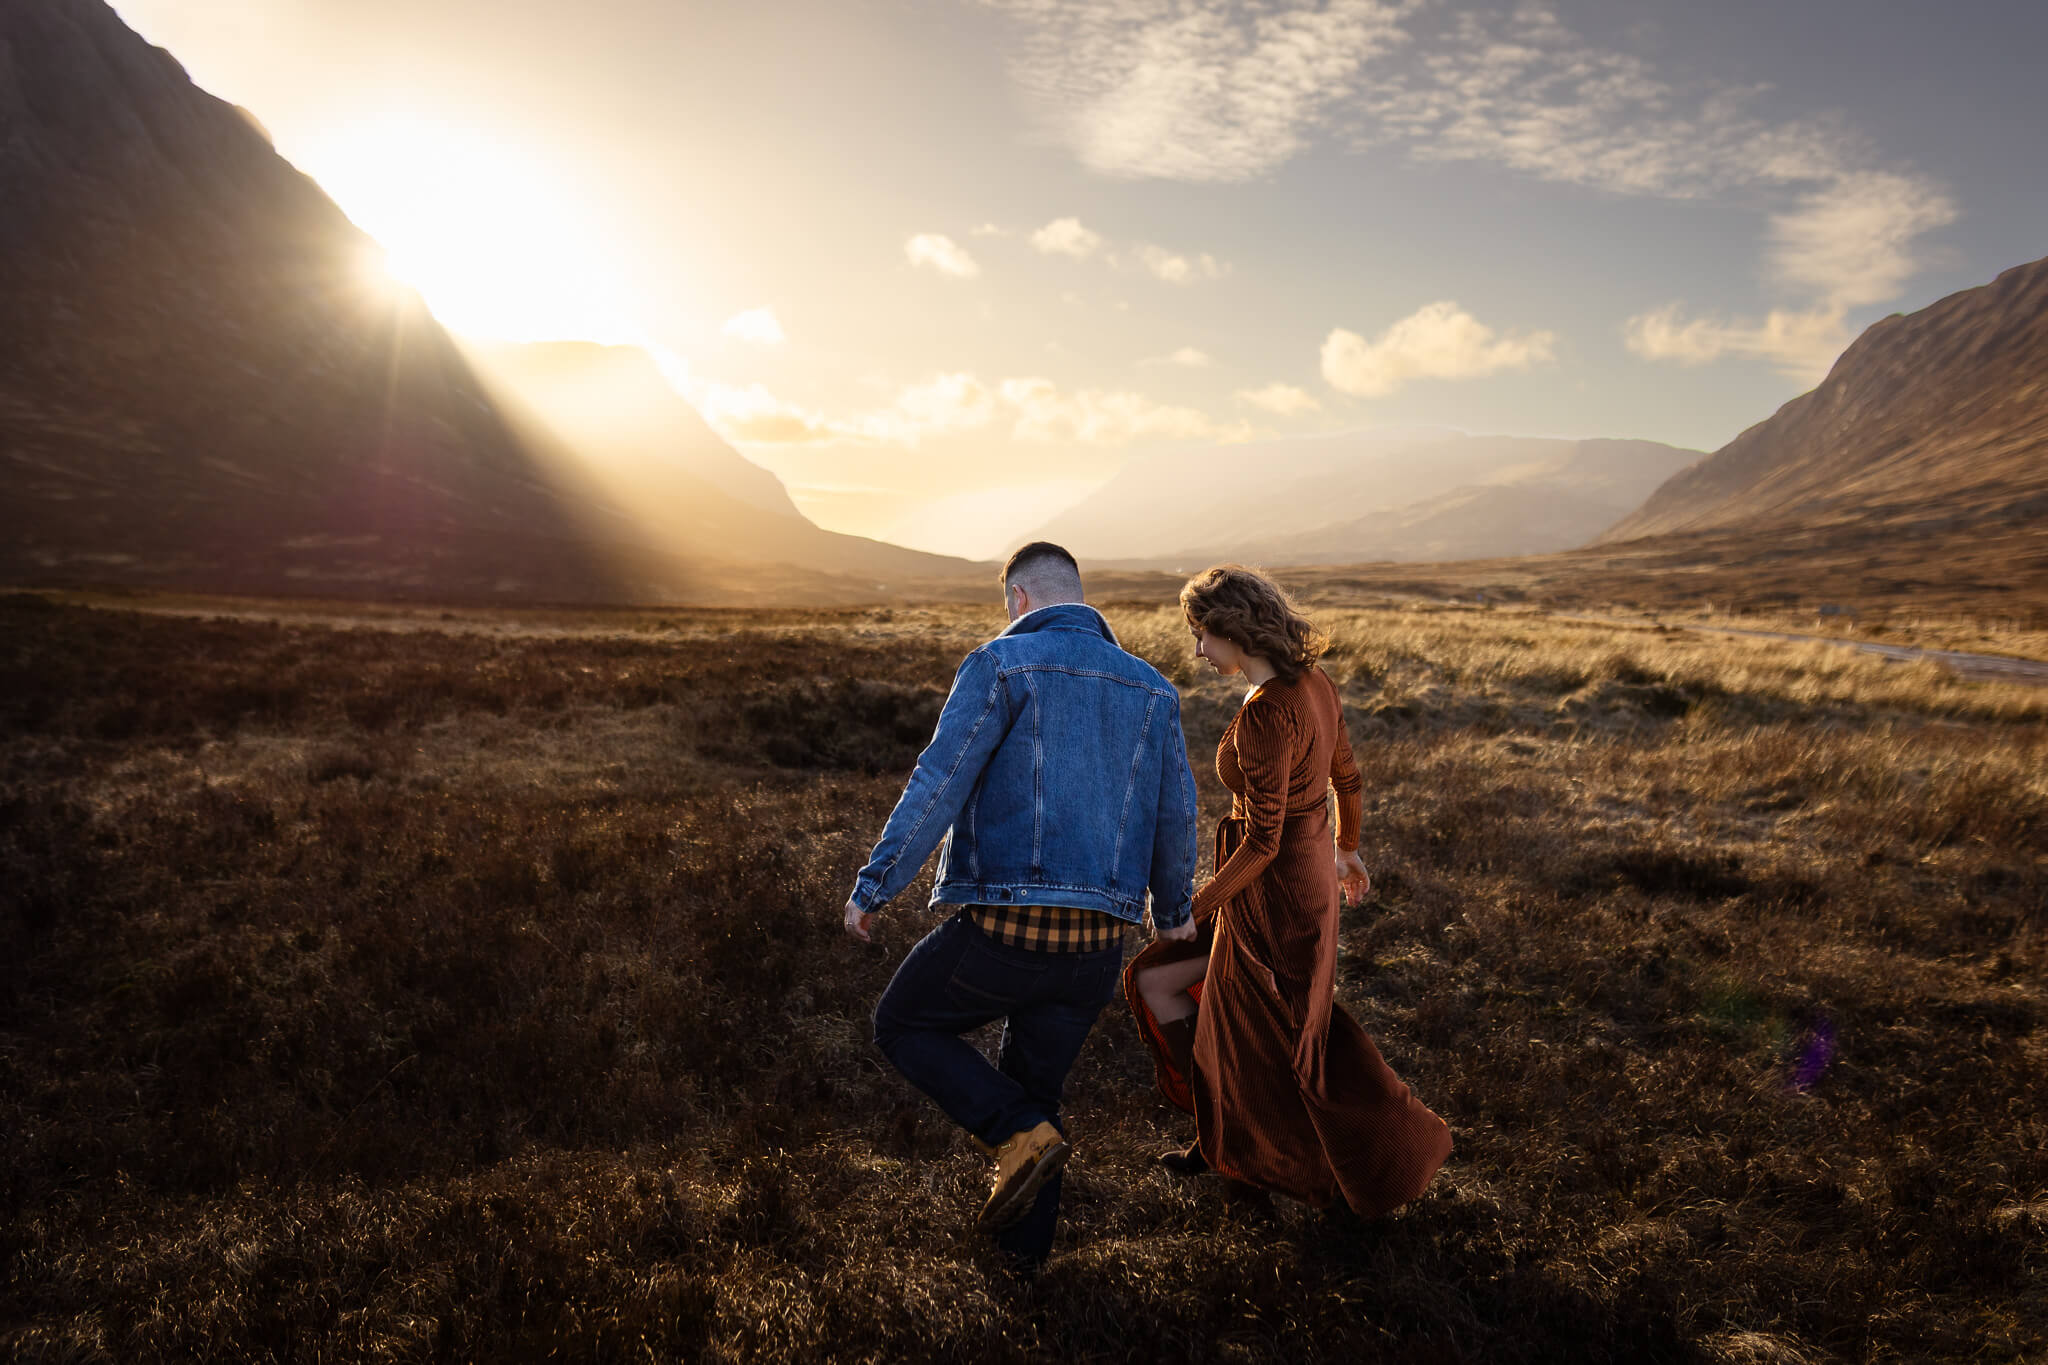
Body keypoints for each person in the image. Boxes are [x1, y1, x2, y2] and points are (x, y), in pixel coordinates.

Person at [842, 541, 1200, 1272]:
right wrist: (1173, 913)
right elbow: (1175, 812)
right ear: (1078, 593)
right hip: (1096, 950)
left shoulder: (999, 664)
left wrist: (876, 884)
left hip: (1006, 930)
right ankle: (1023, 1266)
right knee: (1038, 1090)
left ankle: (1018, 1131)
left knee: (902, 1022)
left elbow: (939, 781)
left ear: (1019, 600)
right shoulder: (1154, 689)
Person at [1125, 564, 1452, 1217]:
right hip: (1303, 883)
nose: (1196, 651)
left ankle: (1343, 1164)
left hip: (1272, 894)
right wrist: (1347, 848)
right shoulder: (1316, 685)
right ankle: (1217, 1137)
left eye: (1200, 635)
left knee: (1279, 1034)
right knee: (1183, 993)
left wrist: (1195, 906)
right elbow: (1348, 778)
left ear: (1232, 631)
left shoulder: (1268, 716)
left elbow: (1263, 840)